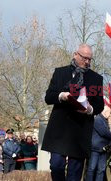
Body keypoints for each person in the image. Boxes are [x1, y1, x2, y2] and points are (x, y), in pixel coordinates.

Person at [41, 44, 104, 181]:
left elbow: (100, 105)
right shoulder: (60, 73)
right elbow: (48, 97)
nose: (87, 62)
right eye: (84, 58)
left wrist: (90, 109)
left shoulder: (96, 79)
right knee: (56, 165)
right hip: (59, 130)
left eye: (89, 59)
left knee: (74, 175)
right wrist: (61, 96)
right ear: (75, 54)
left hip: (80, 130)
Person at [86, 105, 111, 181]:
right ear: (105, 111)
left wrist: (110, 123)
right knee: (92, 169)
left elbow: (110, 132)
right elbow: (105, 133)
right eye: (109, 112)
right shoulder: (97, 119)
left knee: (101, 170)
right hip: (95, 149)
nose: (110, 114)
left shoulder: (106, 121)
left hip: (104, 149)